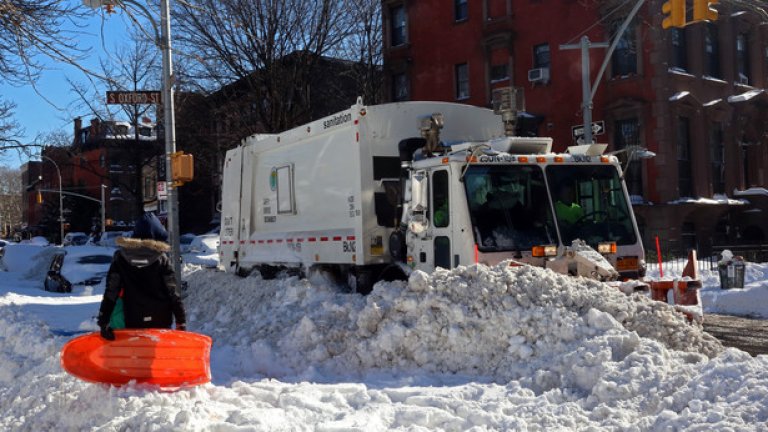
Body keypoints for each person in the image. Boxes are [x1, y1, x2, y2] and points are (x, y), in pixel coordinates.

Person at [97, 212, 186, 340]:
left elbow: (111, 292)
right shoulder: (162, 259)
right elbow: (173, 292)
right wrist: (181, 321)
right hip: (161, 321)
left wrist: (103, 321)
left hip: (132, 319)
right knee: (156, 358)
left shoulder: (120, 258)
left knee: (135, 355)